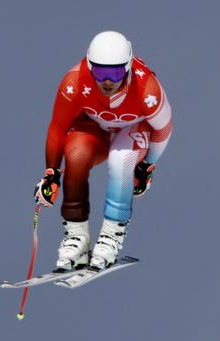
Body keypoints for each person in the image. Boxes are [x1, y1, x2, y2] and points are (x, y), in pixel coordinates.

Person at [34, 31, 173, 271]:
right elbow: (58, 127)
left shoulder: (147, 89)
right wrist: (52, 172)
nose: (107, 81)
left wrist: (146, 166)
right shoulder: (74, 82)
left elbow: (163, 129)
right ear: (89, 66)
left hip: (132, 128)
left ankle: (111, 236)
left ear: (128, 68)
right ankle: (76, 237)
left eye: (116, 73)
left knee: (121, 159)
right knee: (76, 152)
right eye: (99, 72)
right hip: (97, 128)